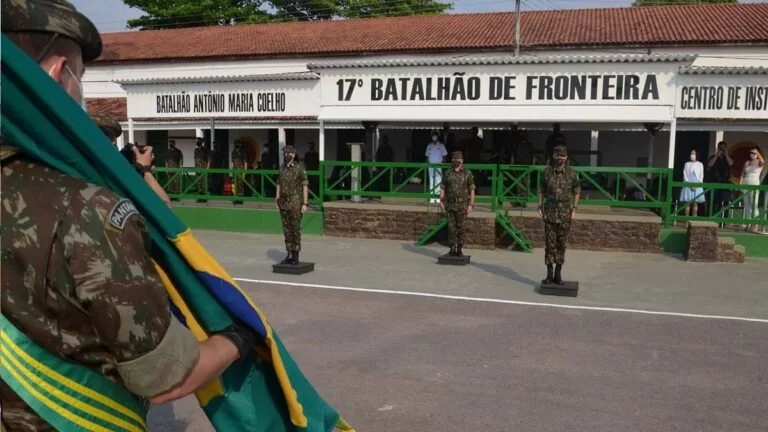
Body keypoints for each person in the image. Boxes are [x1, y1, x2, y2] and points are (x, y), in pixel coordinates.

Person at [1, 1, 254, 430]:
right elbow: (165, 378)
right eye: (81, 78)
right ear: (58, 75)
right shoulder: (87, 210)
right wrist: (241, 336)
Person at [538, 144, 580, 285]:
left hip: (564, 215)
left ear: (566, 157)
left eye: (562, 156)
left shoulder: (571, 174)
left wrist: (574, 209)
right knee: (549, 244)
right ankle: (549, 273)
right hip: (549, 213)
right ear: (553, 156)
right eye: (557, 155)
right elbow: (541, 190)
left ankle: (558, 273)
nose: (560, 158)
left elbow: (577, 191)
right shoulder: (547, 172)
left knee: (561, 244)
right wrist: (539, 206)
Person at [275, 145, 309, 265]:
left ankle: (295, 255)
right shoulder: (282, 168)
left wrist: (305, 203)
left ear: (293, 154)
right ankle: (288, 254)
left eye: (288, 153)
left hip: (295, 202)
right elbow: (278, 184)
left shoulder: (299, 168)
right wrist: (277, 199)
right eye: (284, 153)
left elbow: (305, 185)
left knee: (295, 229)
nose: (286, 155)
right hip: (283, 202)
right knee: (286, 229)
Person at [439, 151, 476, 257]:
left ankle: (459, 249)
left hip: (462, 205)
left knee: (461, 228)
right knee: (451, 228)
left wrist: (471, 204)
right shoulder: (447, 173)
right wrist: (441, 202)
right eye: (455, 159)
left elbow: (472, 189)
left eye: (459, 159)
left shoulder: (467, 173)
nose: (457, 161)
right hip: (450, 205)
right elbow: (442, 187)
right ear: (452, 160)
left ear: (462, 161)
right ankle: (452, 249)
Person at [741, 146, 765, 233]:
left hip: (754, 182)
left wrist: (757, 153)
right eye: (751, 153)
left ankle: (755, 224)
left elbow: (763, 162)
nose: (752, 154)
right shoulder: (747, 162)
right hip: (745, 183)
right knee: (747, 204)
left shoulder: (759, 162)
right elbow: (742, 174)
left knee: (753, 204)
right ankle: (748, 224)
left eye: (754, 153)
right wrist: (740, 185)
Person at [707, 140, 734, 213]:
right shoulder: (713, 157)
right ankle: (711, 215)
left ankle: (723, 219)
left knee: (725, 201)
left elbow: (731, 163)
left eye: (723, 148)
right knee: (713, 200)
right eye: (720, 148)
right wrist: (717, 155)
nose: (721, 149)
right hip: (714, 181)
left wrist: (726, 154)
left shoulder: (728, 157)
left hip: (725, 182)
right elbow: (710, 164)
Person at [680, 149, 705, 216]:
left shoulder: (700, 164)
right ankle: (686, 221)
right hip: (688, 184)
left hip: (697, 185)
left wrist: (696, 186)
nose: (692, 155)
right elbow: (685, 174)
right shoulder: (687, 164)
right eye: (691, 154)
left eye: (693, 154)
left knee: (695, 203)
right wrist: (689, 185)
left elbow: (701, 176)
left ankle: (694, 220)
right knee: (687, 204)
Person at [425, 130, 448, 204]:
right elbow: (427, 156)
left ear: (438, 136)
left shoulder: (441, 145)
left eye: (435, 135)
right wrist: (427, 164)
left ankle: (438, 198)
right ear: (431, 136)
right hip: (431, 166)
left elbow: (445, 155)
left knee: (438, 181)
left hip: (438, 166)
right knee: (431, 181)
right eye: (433, 135)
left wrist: (443, 164)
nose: (434, 137)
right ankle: (432, 197)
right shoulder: (429, 145)